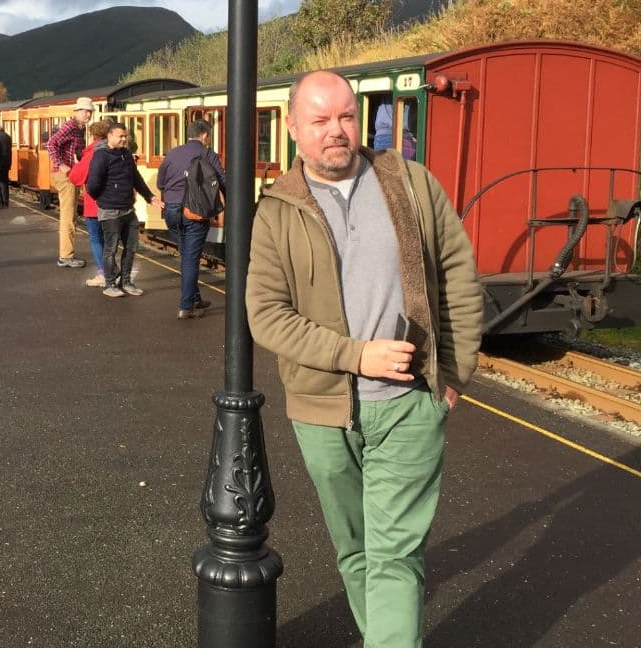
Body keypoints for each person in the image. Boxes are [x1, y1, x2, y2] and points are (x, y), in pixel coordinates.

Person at [246, 71, 483, 648]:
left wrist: (453, 371)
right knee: (355, 550)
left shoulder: (410, 183)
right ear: (295, 130)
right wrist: (356, 357)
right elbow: (266, 314)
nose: (337, 131)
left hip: (408, 404)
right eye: (321, 120)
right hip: (322, 412)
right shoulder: (278, 209)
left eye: (347, 117)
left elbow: (457, 273)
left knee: (394, 554)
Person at [156, 119, 225, 319]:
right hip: (194, 211)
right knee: (190, 259)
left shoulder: (173, 152)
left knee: (187, 255)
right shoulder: (207, 154)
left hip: (171, 211)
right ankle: (186, 307)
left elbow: (161, 183)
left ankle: (195, 298)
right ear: (204, 135)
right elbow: (221, 181)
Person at [85, 121, 162, 297]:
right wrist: (104, 199)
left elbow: (136, 178)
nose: (123, 139)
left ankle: (126, 281)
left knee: (131, 247)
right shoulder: (101, 156)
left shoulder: (126, 154)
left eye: (125, 136)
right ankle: (109, 283)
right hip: (110, 210)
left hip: (128, 209)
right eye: (120, 136)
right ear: (110, 136)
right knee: (110, 249)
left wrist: (150, 197)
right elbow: (92, 186)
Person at [45, 97, 94, 268]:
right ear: (77, 112)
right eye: (85, 111)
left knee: (70, 215)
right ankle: (66, 256)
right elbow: (51, 144)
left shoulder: (78, 129)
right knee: (68, 216)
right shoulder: (70, 126)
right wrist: (62, 165)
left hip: (71, 175)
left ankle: (66, 254)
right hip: (65, 176)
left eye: (90, 111)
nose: (88, 114)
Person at [66, 119, 111, 287]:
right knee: (110, 240)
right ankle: (114, 271)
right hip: (115, 204)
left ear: (92, 135)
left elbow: (75, 178)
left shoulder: (92, 153)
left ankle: (103, 274)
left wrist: (68, 169)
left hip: (95, 204)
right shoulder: (118, 151)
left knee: (96, 239)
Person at [0, 122, 12, 208]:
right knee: (5, 182)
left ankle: (0, 200)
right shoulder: (8, 137)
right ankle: (6, 201)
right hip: (7, 162)